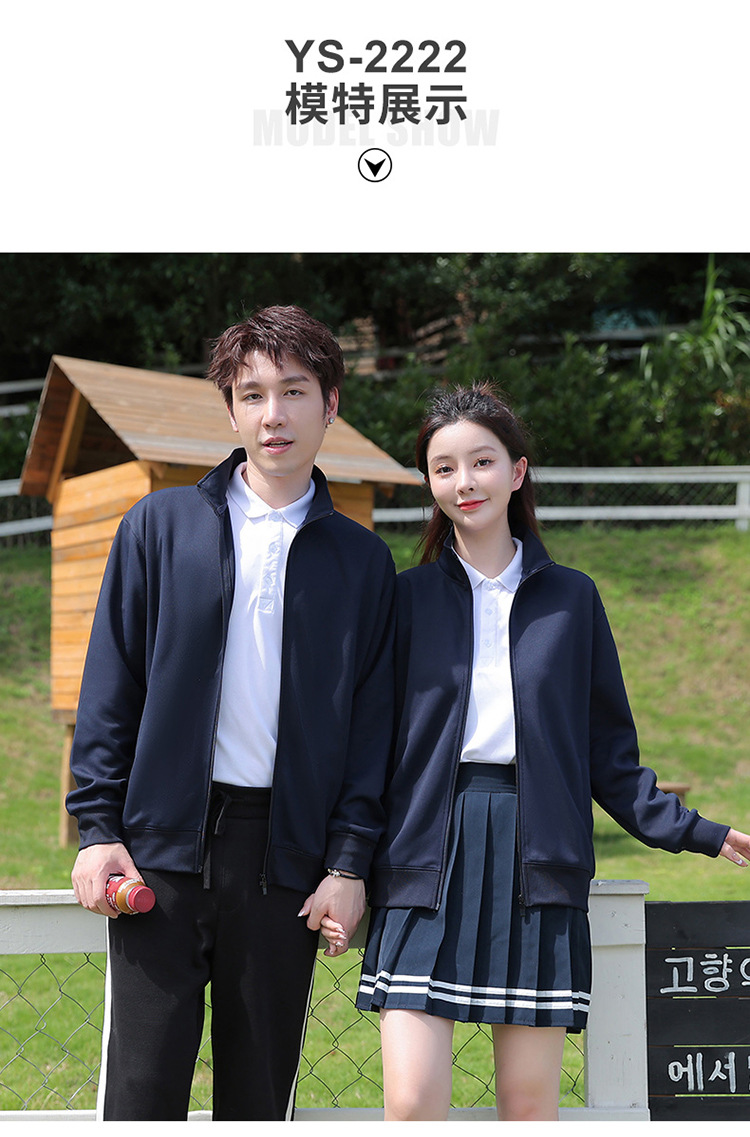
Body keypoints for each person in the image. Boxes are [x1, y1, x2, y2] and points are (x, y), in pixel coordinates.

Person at [347, 381, 750, 1122]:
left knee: (529, 1108)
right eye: (443, 468)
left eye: (482, 462)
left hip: (538, 863)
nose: (464, 482)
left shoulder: (572, 599)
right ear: (429, 483)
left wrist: (699, 831)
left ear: (518, 471)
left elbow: (608, 755)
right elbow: (367, 749)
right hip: (424, 857)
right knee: (410, 1103)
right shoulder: (405, 599)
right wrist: (344, 862)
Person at [67, 305, 396, 1121]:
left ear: (330, 403)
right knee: (141, 1097)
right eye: (252, 394)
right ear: (230, 409)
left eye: (294, 391)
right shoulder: (159, 526)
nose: (273, 414)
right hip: (158, 850)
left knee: (257, 1101)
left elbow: (371, 732)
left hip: (285, 861)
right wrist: (97, 828)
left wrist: (349, 864)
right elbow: (111, 686)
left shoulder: (363, 562)